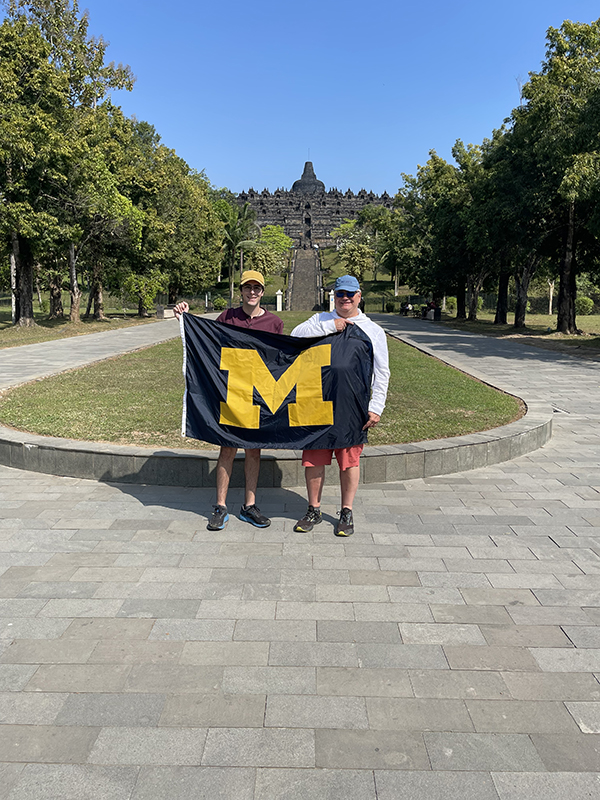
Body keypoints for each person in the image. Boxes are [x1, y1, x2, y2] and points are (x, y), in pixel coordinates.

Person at [174, 270, 283, 531]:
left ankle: (249, 505)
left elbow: (280, 360)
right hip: (231, 393)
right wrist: (185, 317)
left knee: (254, 450)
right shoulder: (227, 317)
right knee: (227, 448)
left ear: (263, 291)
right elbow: (208, 342)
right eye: (248, 287)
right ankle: (220, 506)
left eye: (257, 288)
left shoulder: (274, 323)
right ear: (242, 290)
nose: (252, 292)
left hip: (258, 396)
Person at [290, 275, 390, 537]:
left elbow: (382, 372)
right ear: (333, 296)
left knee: (349, 461)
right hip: (317, 402)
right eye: (339, 294)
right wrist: (330, 327)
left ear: (359, 295)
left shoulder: (373, 330)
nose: (345, 298)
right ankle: (314, 508)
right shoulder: (320, 320)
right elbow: (295, 336)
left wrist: (376, 406)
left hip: (352, 404)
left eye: (350, 294)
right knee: (314, 460)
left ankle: (346, 510)